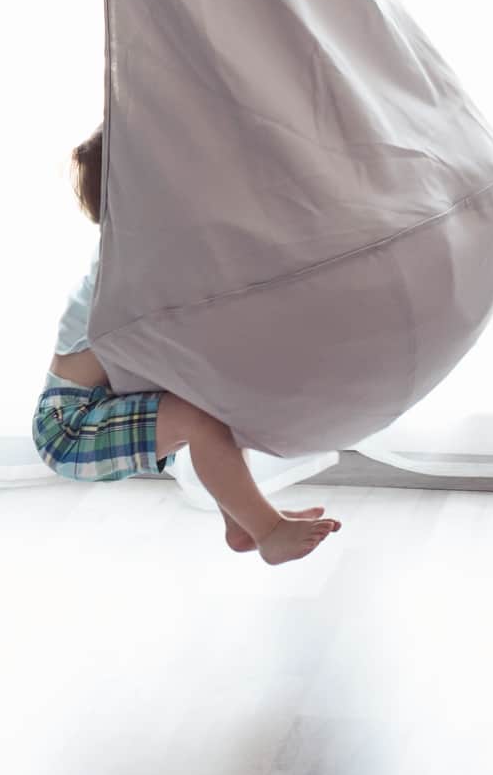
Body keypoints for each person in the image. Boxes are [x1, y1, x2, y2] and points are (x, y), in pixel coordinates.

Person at [32, 127, 341, 563]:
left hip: (91, 410)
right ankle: (265, 528)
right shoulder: (121, 267)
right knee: (200, 419)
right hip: (69, 426)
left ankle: (243, 523)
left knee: (216, 404)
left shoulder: (141, 253)